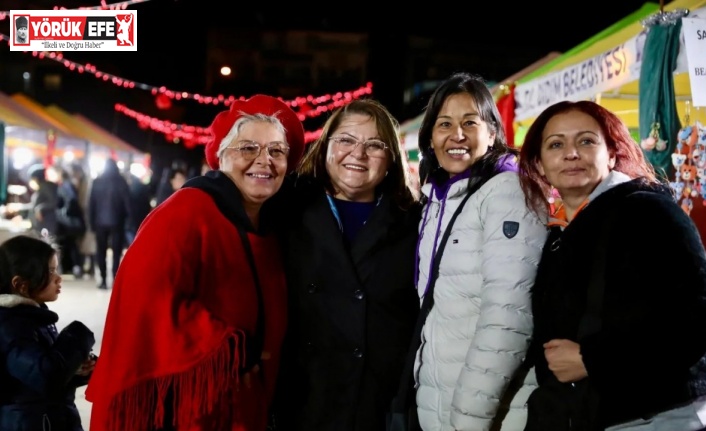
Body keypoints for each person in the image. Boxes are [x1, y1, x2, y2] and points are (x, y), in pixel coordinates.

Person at [85, 94, 306, 431]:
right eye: (248, 148)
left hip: (243, 406)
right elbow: (147, 303)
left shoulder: (270, 225)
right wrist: (233, 351)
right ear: (220, 156)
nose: (265, 160)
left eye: (277, 151)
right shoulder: (186, 211)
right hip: (191, 411)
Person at [518, 100, 706, 431]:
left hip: (653, 415)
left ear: (613, 154)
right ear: (540, 164)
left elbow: (696, 319)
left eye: (586, 141)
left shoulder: (649, 213)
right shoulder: (558, 232)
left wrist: (594, 360)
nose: (571, 153)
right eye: (556, 144)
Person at [273, 99, 421, 430]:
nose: (358, 153)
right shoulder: (286, 210)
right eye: (346, 140)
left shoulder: (415, 223)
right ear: (325, 146)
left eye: (375, 144)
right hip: (302, 399)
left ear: (391, 158)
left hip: (375, 404)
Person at [413, 72, 548, 431]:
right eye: (444, 124)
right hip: (442, 400)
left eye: (469, 122)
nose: (456, 135)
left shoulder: (507, 192)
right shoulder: (438, 199)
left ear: (492, 133)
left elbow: (508, 316)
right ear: (430, 138)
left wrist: (468, 420)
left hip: (490, 414)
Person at [0, 234, 96, 431]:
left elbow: (42, 373)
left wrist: (77, 368)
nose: (59, 278)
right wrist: (77, 336)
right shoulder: (9, 326)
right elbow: (47, 376)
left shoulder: (33, 316)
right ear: (21, 285)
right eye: (51, 271)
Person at [88, 158, 131, 289]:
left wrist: (91, 223)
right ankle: (115, 280)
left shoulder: (97, 182)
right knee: (116, 252)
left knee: (101, 251)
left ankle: (103, 280)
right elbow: (128, 204)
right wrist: (129, 221)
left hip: (99, 222)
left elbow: (91, 205)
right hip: (118, 222)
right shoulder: (121, 182)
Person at [27, 164, 59, 239]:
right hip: (39, 226)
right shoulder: (40, 188)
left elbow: (53, 202)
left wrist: (40, 208)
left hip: (46, 224)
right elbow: (34, 205)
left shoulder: (47, 187)